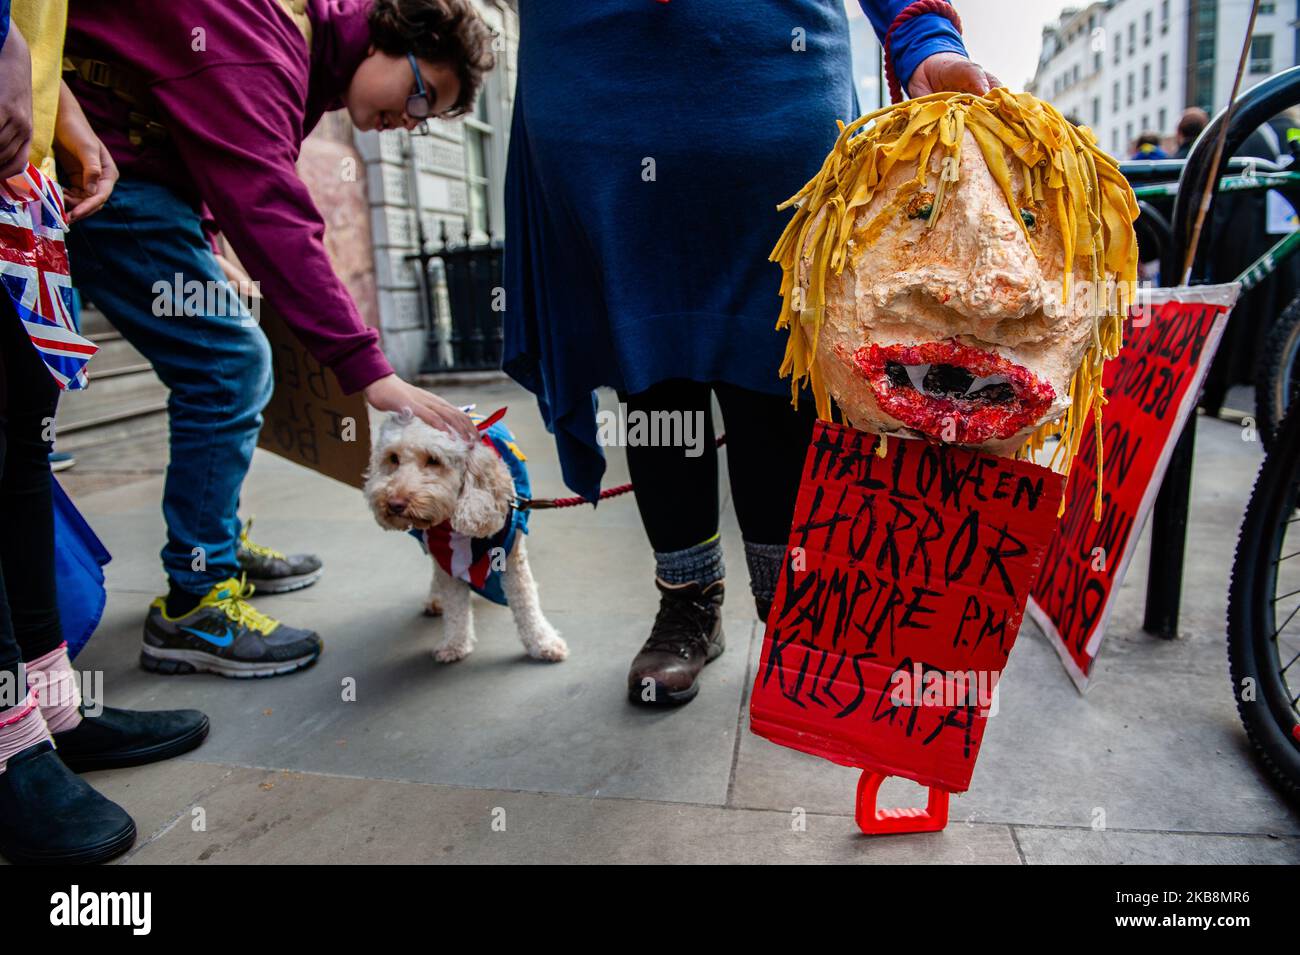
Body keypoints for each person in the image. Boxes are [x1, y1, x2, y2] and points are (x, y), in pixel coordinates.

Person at [502, 0, 996, 706]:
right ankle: (689, 601)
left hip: (771, 69)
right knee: (651, 365)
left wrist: (922, 37)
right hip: (600, 78)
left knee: (782, 358)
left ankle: (792, 609)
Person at [61, 0, 493, 678]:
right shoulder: (264, 43)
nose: (410, 121)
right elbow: (270, 205)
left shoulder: (305, 55)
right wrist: (368, 368)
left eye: (426, 115)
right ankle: (195, 605)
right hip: (103, 172)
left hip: (143, 173)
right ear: (391, 35)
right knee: (227, 362)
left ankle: (215, 548)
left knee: (228, 355)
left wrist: (208, 238)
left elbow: (201, 129)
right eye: (420, 93)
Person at [0, 0, 209, 866]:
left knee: (20, 441)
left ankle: (49, 706)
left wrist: (65, 114)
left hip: (20, 167)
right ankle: (10, 740)